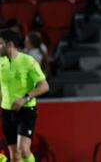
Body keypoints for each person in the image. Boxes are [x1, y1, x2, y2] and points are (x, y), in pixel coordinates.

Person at [0, 29, 49, 162]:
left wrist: (25, 98)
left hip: (26, 110)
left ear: (9, 44)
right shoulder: (0, 62)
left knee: (24, 150)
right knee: (15, 156)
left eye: (0, 43)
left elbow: (44, 86)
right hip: (6, 112)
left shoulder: (28, 61)